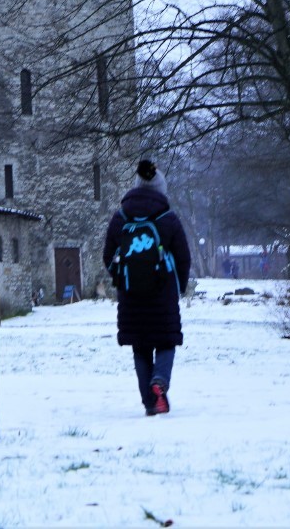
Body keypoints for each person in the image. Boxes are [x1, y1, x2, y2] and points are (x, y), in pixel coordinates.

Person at [104, 160, 192, 416]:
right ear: (161, 189)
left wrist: (121, 277)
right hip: (162, 294)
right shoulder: (168, 218)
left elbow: (108, 254)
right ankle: (160, 382)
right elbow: (183, 256)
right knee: (166, 342)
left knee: (141, 348)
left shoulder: (120, 217)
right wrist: (179, 286)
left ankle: (149, 404)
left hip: (131, 295)